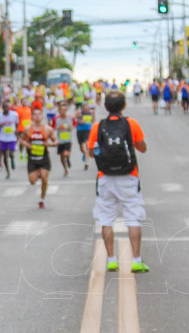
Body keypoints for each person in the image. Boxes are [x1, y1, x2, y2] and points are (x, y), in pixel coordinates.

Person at [88, 90, 149, 273]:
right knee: (133, 217)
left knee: (106, 219)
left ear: (105, 107)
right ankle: (136, 260)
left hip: (105, 177)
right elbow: (143, 148)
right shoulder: (131, 124)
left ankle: (111, 259)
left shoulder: (97, 127)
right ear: (124, 106)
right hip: (129, 176)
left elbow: (91, 152)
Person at [22, 106, 57, 209]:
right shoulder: (28, 129)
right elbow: (22, 140)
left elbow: (56, 141)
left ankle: (42, 198)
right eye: (35, 115)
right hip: (32, 159)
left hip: (44, 159)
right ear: (32, 117)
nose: (37, 116)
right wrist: (26, 145)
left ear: (42, 116)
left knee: (44, 179)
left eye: (39, 114)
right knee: (32, 181)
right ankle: (37, 173)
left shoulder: (48, 129)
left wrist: (49, 144)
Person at [0, 100, 20, 179]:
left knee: (11, 153)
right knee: (4, 156)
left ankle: (12, 159)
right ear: (2, 108)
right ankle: (8, 172)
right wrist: (0, 126)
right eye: (4, 107)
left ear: (9, 107)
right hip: (2, 138)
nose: (6, 108)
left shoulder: (14, 114)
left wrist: (16, 130)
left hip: (12, 137)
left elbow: (17, 122)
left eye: (8, 107)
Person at [53, 102, 74, 177]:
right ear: (59, 110)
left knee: (66, 153)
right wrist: (58, 127)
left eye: (64, 110)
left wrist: (69, 128)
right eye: (61, 110)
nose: (63, 111)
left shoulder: (70, 117)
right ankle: (65, 169)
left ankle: (68, 159)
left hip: (68, 139)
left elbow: (74, 126)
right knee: (62, 156)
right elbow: (53, 128)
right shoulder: (56, 119)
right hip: (60, 140)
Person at [76, 101, 95, 171]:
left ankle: (86, 162)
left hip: (88, 131)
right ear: (82, 108)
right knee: (81, 148)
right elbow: (75, 121)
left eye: (87, 108)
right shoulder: (79, 113)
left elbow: (93, 120)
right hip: (80, 130)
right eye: (85, 108)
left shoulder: (91, 113)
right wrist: (80, 121)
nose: (86, 109)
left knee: (87, 146)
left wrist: (92, 125)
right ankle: (84, 154)